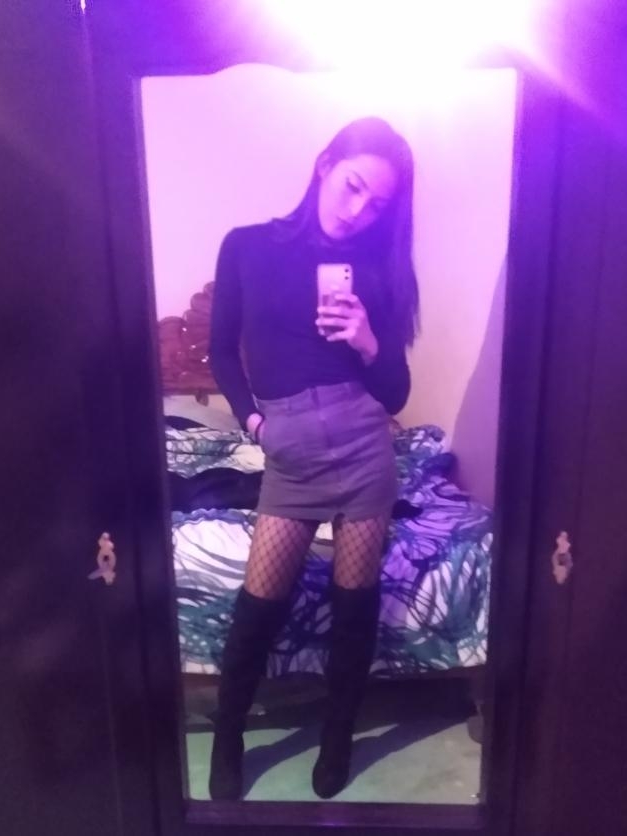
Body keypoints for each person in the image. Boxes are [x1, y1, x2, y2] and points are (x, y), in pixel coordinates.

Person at [207, 116, 419, 801]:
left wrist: (367, 340)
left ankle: (336, 737)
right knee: (258, 606)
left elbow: (395, 392)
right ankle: (228, 735)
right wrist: (253, 421)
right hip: (290, 454)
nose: (358, 212)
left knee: (353, 609)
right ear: (326, 164)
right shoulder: (246, 247)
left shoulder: (377, 272)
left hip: (364, 448)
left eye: (377, 205)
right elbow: (220, 352)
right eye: (353, 186)